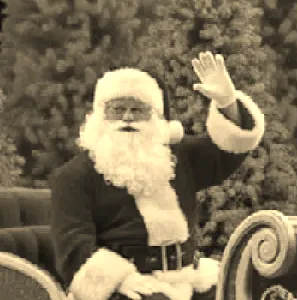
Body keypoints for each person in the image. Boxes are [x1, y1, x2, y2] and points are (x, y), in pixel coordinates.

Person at [50, 52, 266, 300]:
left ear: (156, 117)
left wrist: (228, 104)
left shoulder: (178, 157)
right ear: (100, 116)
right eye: (117, 109)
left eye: (138, 109)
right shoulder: (74, 176)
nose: (127, 117)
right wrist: (119, 279)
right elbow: (73, 245)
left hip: (190, 280)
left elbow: (225, 152)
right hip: (127, 287)